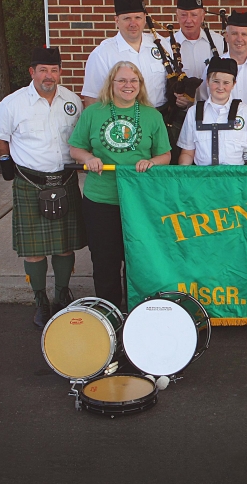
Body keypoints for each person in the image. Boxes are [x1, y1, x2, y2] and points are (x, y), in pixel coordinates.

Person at [0, 46, 86, 328]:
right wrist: (6, 160)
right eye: (43, 70)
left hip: (65, 180)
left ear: (60, 73)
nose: (49, 76)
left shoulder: (72, 101)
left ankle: (62, 294)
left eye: (54, 70)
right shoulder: (13, 103)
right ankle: (40, 298)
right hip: (31, 182)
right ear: (32, 72)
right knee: (35, 249)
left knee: (65, 246)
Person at [68, 61, 172, 309]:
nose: (128, 85)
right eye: (122, 81)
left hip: (139, 201)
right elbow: (75, 148)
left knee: (138, 259)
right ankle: (108, 312)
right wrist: (89, 158)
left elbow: (165, 156)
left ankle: (137, 311)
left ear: (140, 85)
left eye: (133, 81)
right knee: (105, 260)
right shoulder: (94, 113)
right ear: (111, 84)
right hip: (101, 199)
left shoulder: (151, 115)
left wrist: (151, 162)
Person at [178, 57, 247, 166]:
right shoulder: (193, 112)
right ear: (207, 82)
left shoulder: (246, 112)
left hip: (235, 179)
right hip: (203, 179)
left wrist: (245, 176)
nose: (220, 87)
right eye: (216, 81)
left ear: (234, 84)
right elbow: (188, 153)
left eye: (226, 82)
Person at [82, 0, 167, 108]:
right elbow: (92, 98)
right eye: (127, 18)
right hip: (121, 120)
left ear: (145, 19)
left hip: (159, 117)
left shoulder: (161, 44)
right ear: (116, 20)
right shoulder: (102, 54)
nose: (133, 23)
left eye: (138, 17)